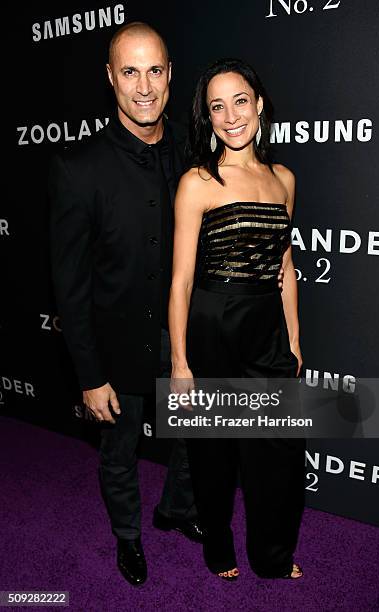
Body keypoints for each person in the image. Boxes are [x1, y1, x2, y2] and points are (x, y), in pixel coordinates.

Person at [48, 22, 203, 587]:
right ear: (109, 77)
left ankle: (178, 510)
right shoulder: (79, 166)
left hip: (186, 337)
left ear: (170, 75)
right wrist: (90, 375)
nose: (144, 86)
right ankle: (129, 539)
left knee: (194, 435)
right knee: (120, 452)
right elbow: (69, 283)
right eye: (130, 71)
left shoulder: (193, 153)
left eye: (155, 70)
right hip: (117, 346)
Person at [169, 58, 305, 580]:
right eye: (216, 106)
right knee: (215, 452)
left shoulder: (284, 179)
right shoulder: (198, 183)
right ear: (208, 118)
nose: (230, 116)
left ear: (259, 105)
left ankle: (272, 556)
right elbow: (180, 281)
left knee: (279, 454)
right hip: (213, 321)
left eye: (239, 101)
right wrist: (180, 362)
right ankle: (218, 548)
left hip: (266, 324)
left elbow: (285, 266)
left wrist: (294, 339)